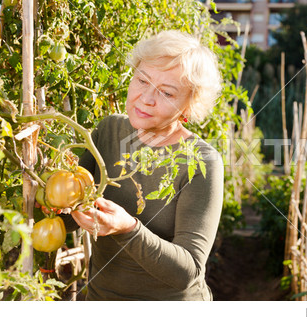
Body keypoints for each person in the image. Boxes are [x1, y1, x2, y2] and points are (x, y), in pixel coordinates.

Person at [63, 30, 224, 301]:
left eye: (166, 92)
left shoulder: (201, 161)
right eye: (142, 80)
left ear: (189, 104)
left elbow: (189, 271)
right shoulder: (108, 131)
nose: (146, 98)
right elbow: (68, 219)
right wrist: (54, 200)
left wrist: (128, 228)